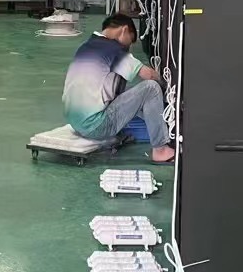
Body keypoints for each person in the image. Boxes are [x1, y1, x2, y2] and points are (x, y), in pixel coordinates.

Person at [62, 14, 175, 163]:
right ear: (124, 30)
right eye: (130, 40)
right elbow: (148, 75)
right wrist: (169, 84)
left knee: (131, 89)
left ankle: (159, 126)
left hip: (75, 122)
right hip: (96, 126)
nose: (129, 47)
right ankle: (160, 150)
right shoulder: (115, 50)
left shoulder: (86, 46)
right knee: (151, 88)